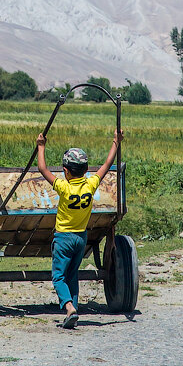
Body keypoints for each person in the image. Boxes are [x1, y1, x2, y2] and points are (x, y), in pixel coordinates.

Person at [36, 129, 123, 329]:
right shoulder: (91, 185)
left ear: (66, 171)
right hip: (80, 239)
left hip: (63, 238)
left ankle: (69, 307)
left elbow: (42, 168)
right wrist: (116, 143)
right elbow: (107, 165)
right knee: (72, 274)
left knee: (58, 276)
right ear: (85, 170)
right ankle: (73, 311)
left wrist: (41, 146)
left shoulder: (64, 188)